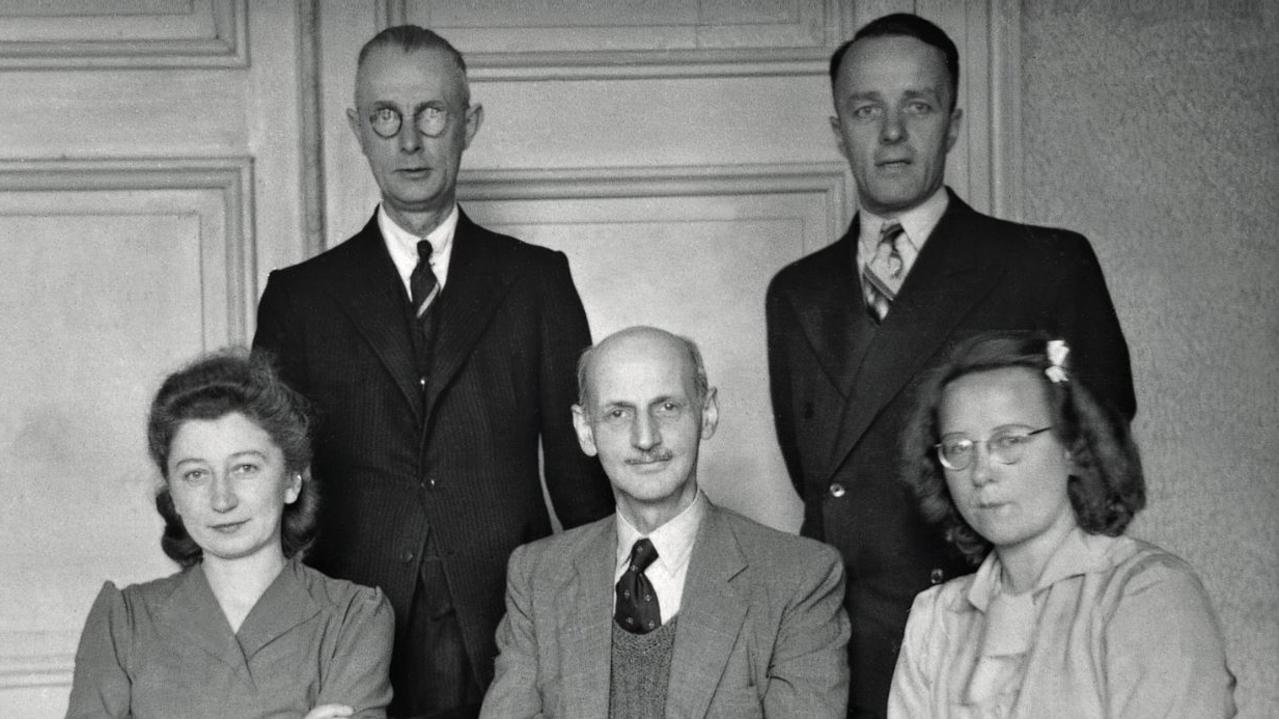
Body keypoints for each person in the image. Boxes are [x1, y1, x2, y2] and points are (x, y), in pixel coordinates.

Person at [764, 13, 1136, 717]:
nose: (893, 132)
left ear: (955, 124)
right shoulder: (796, 291)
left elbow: (1098, 453)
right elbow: (811, 471)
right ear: (837, 130)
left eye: (919, 105)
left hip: (997, 627)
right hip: (843, 646)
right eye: (866, 109)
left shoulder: (1044, 264)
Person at [252, 25, 613, 717]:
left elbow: (579, 475)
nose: (409, 141)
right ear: (358, 129)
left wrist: (600, 620)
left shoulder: (536, 281)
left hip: (508, 621)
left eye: (432, 113)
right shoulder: (299, 297)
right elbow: (271, 479)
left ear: (468, 123)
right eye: (386, 117)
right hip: (348, 623)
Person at [479, 326, 851, 719]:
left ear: (707, 413)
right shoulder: (537, 576)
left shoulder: (800, 577)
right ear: (586, 430)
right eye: (618, 413)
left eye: (667, 407)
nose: (645, 438)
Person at [889, 331, 1235, 718]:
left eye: (1009, 441)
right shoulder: (935, 616)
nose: (982, 472)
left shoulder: (1144, 591)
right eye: (958, 448)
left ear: (1073, 449)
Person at [65, 351, 394, 719]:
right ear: (173, 494)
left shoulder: (354, 617)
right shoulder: (123, 621)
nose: (222, 499)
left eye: (245, 468)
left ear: (291, 481)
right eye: (195, 474)